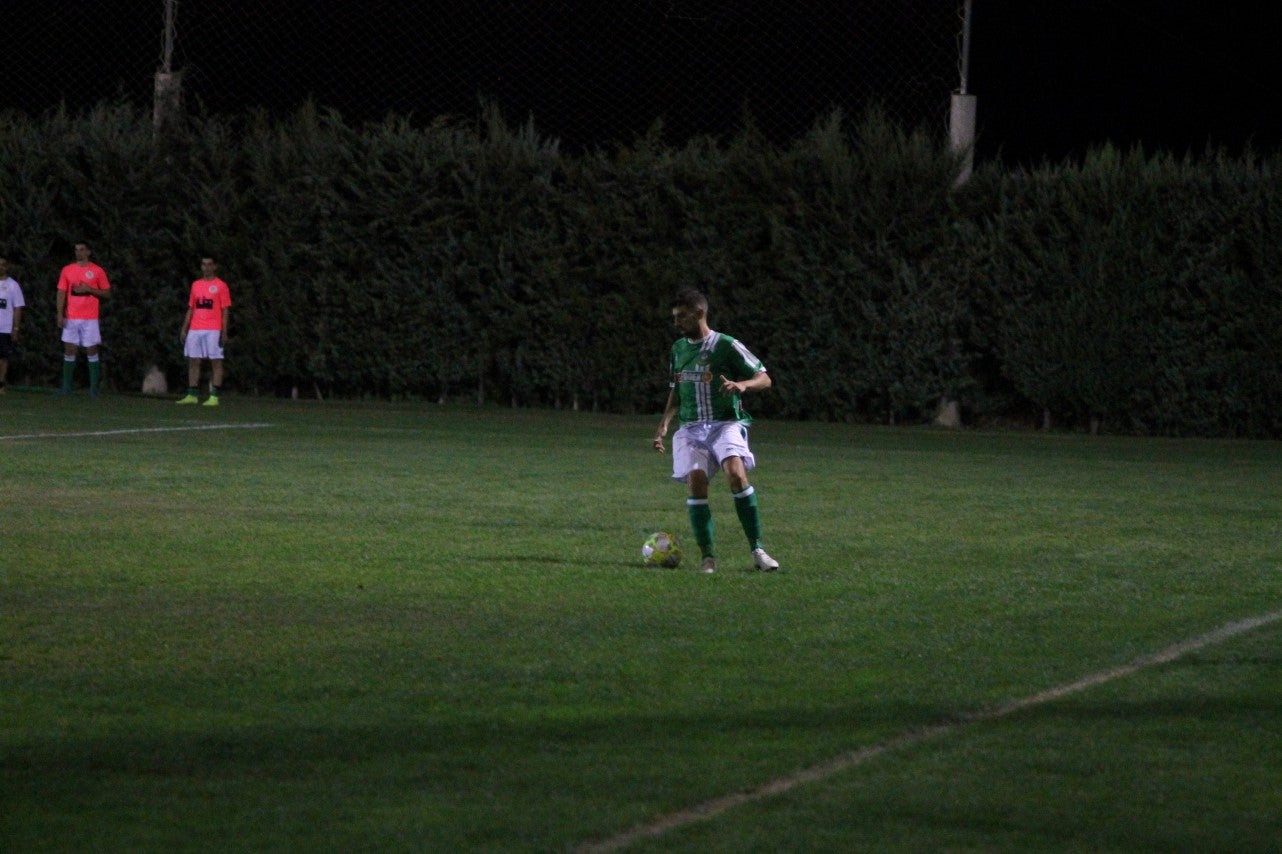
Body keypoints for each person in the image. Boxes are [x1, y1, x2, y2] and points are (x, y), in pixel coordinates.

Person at [652, 287, 780, 573]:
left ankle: (758, 551)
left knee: (736, 474)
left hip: (724, 424)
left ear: (700, 313)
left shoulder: (726, 345)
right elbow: (676, 391)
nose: (677, 323)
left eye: (682, 317)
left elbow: (765, 378)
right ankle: (708, 558)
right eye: (674, 317)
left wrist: (743, 385)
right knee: (696, 482)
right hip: (691, 428)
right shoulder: (678, 349)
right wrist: (663, 425)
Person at [56, 241, 111, 397]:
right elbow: (61, 292)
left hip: (90, 318)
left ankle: (94, 388)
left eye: (81, 249)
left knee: (91, 350)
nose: (78, 252)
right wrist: (60, 313)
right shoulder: (67, 270)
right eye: (76, 250)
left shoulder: (97, 271)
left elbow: (107, 293)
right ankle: (67, 387)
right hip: (71, 317)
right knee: (69, 349)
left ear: (88, 252)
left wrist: (90, 289)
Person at [177, 256, 232, 406]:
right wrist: (184, 328)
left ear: (214, 267)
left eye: (209, 265)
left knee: (215, 361)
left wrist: (224, 331)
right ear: (201, 267)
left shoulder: (221, 286)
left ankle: (214, 396)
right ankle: (192, 394)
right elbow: (191, 308)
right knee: (193, 360)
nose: (206, 267)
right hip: (195, 328)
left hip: (213, 329)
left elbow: (225, 310)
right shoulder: (196, 285)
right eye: (203, 264)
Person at [0, 256, 25, 394]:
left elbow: (18, 308)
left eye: (3, 264)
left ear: (7, 267)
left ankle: (1, 384)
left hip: (4, 328)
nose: (1, 267)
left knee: (3, 358)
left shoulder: (13, 285)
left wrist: (15, 328)